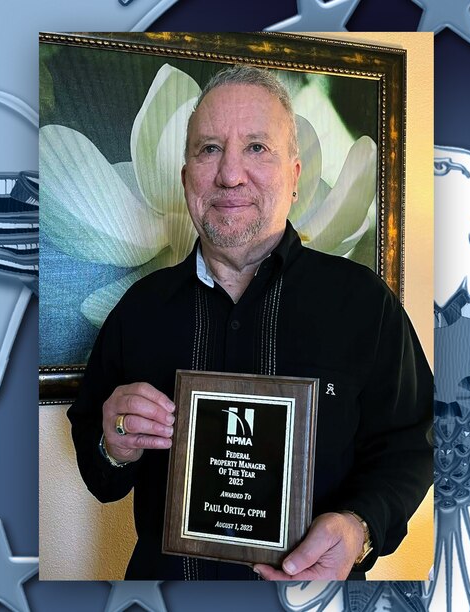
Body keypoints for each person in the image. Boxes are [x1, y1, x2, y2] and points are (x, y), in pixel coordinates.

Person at [67, 65, 433, 580]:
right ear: (186, 176)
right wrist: (113, 445)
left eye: (257, 148)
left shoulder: (365, 305)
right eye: (209, 149)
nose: (230, 174)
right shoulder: (140, 309)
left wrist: (360, 527)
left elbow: (412, 444)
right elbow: (99, 469)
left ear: (295, 176)